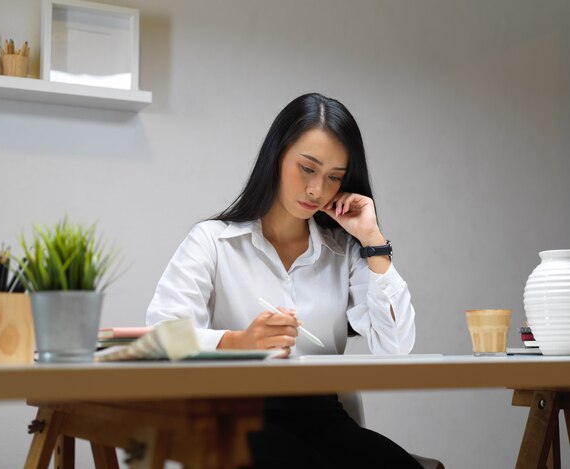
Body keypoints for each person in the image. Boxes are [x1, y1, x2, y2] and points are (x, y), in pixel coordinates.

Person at [146, 93, 422, 468]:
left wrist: (373, 241)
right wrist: (237, 342)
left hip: (322, 416)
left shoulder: (345, 251)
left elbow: (396, 347)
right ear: (277, 155)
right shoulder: (212, 241)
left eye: (334, 178)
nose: (317, 190)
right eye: (307, 168)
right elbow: (161, 336)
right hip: (234, 415)